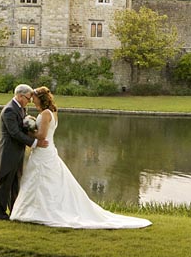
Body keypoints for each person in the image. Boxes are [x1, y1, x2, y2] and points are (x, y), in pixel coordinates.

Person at [10, 86, 151, 229]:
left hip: (44, 152)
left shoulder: (45, 114)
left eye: (33, 99)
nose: (32, 102)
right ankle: (37, 210)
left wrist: (26, 131)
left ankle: (40, 212)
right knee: (44, 181)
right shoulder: (53, 112)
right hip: (47, 151)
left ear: (40, 99)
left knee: (41, 180)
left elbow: (41, 136)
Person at [0, 84, 47, 220]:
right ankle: (0, 213)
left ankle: (14, 211)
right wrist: (35, 143)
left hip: (17, 152)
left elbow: (21, 129)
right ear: (19, 96)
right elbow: (14, 133)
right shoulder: (9, 111)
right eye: (28, 98)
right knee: (5, 183)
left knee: (15, 183)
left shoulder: (21, 109)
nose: (29, 101)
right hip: (8, 152)